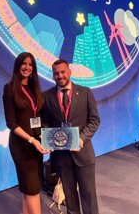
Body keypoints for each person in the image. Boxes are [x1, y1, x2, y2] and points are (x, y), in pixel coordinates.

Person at [42, 59, 100, 214]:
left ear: (69, 72)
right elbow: (45, 122)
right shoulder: (46, 96)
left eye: (63, 72)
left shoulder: (86, 92)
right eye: (56, 73)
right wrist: (49, 140)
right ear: (53, 75)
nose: (60, 75)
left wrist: (81, 139)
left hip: (83, 154)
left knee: (88, 196)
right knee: (70, 198)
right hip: (62, 158)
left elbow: (94, 120)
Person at [3, 52, 47, 214]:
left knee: (29, 188)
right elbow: (11, 123)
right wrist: (31, 140)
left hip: (36, 143)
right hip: (21, 145)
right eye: (24, 63)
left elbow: (39, 117)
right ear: (18, 65)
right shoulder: (10, 89)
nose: (27, 67)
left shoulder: (35, 88)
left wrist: (44, 139)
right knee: (32, 189)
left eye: (30, 64)